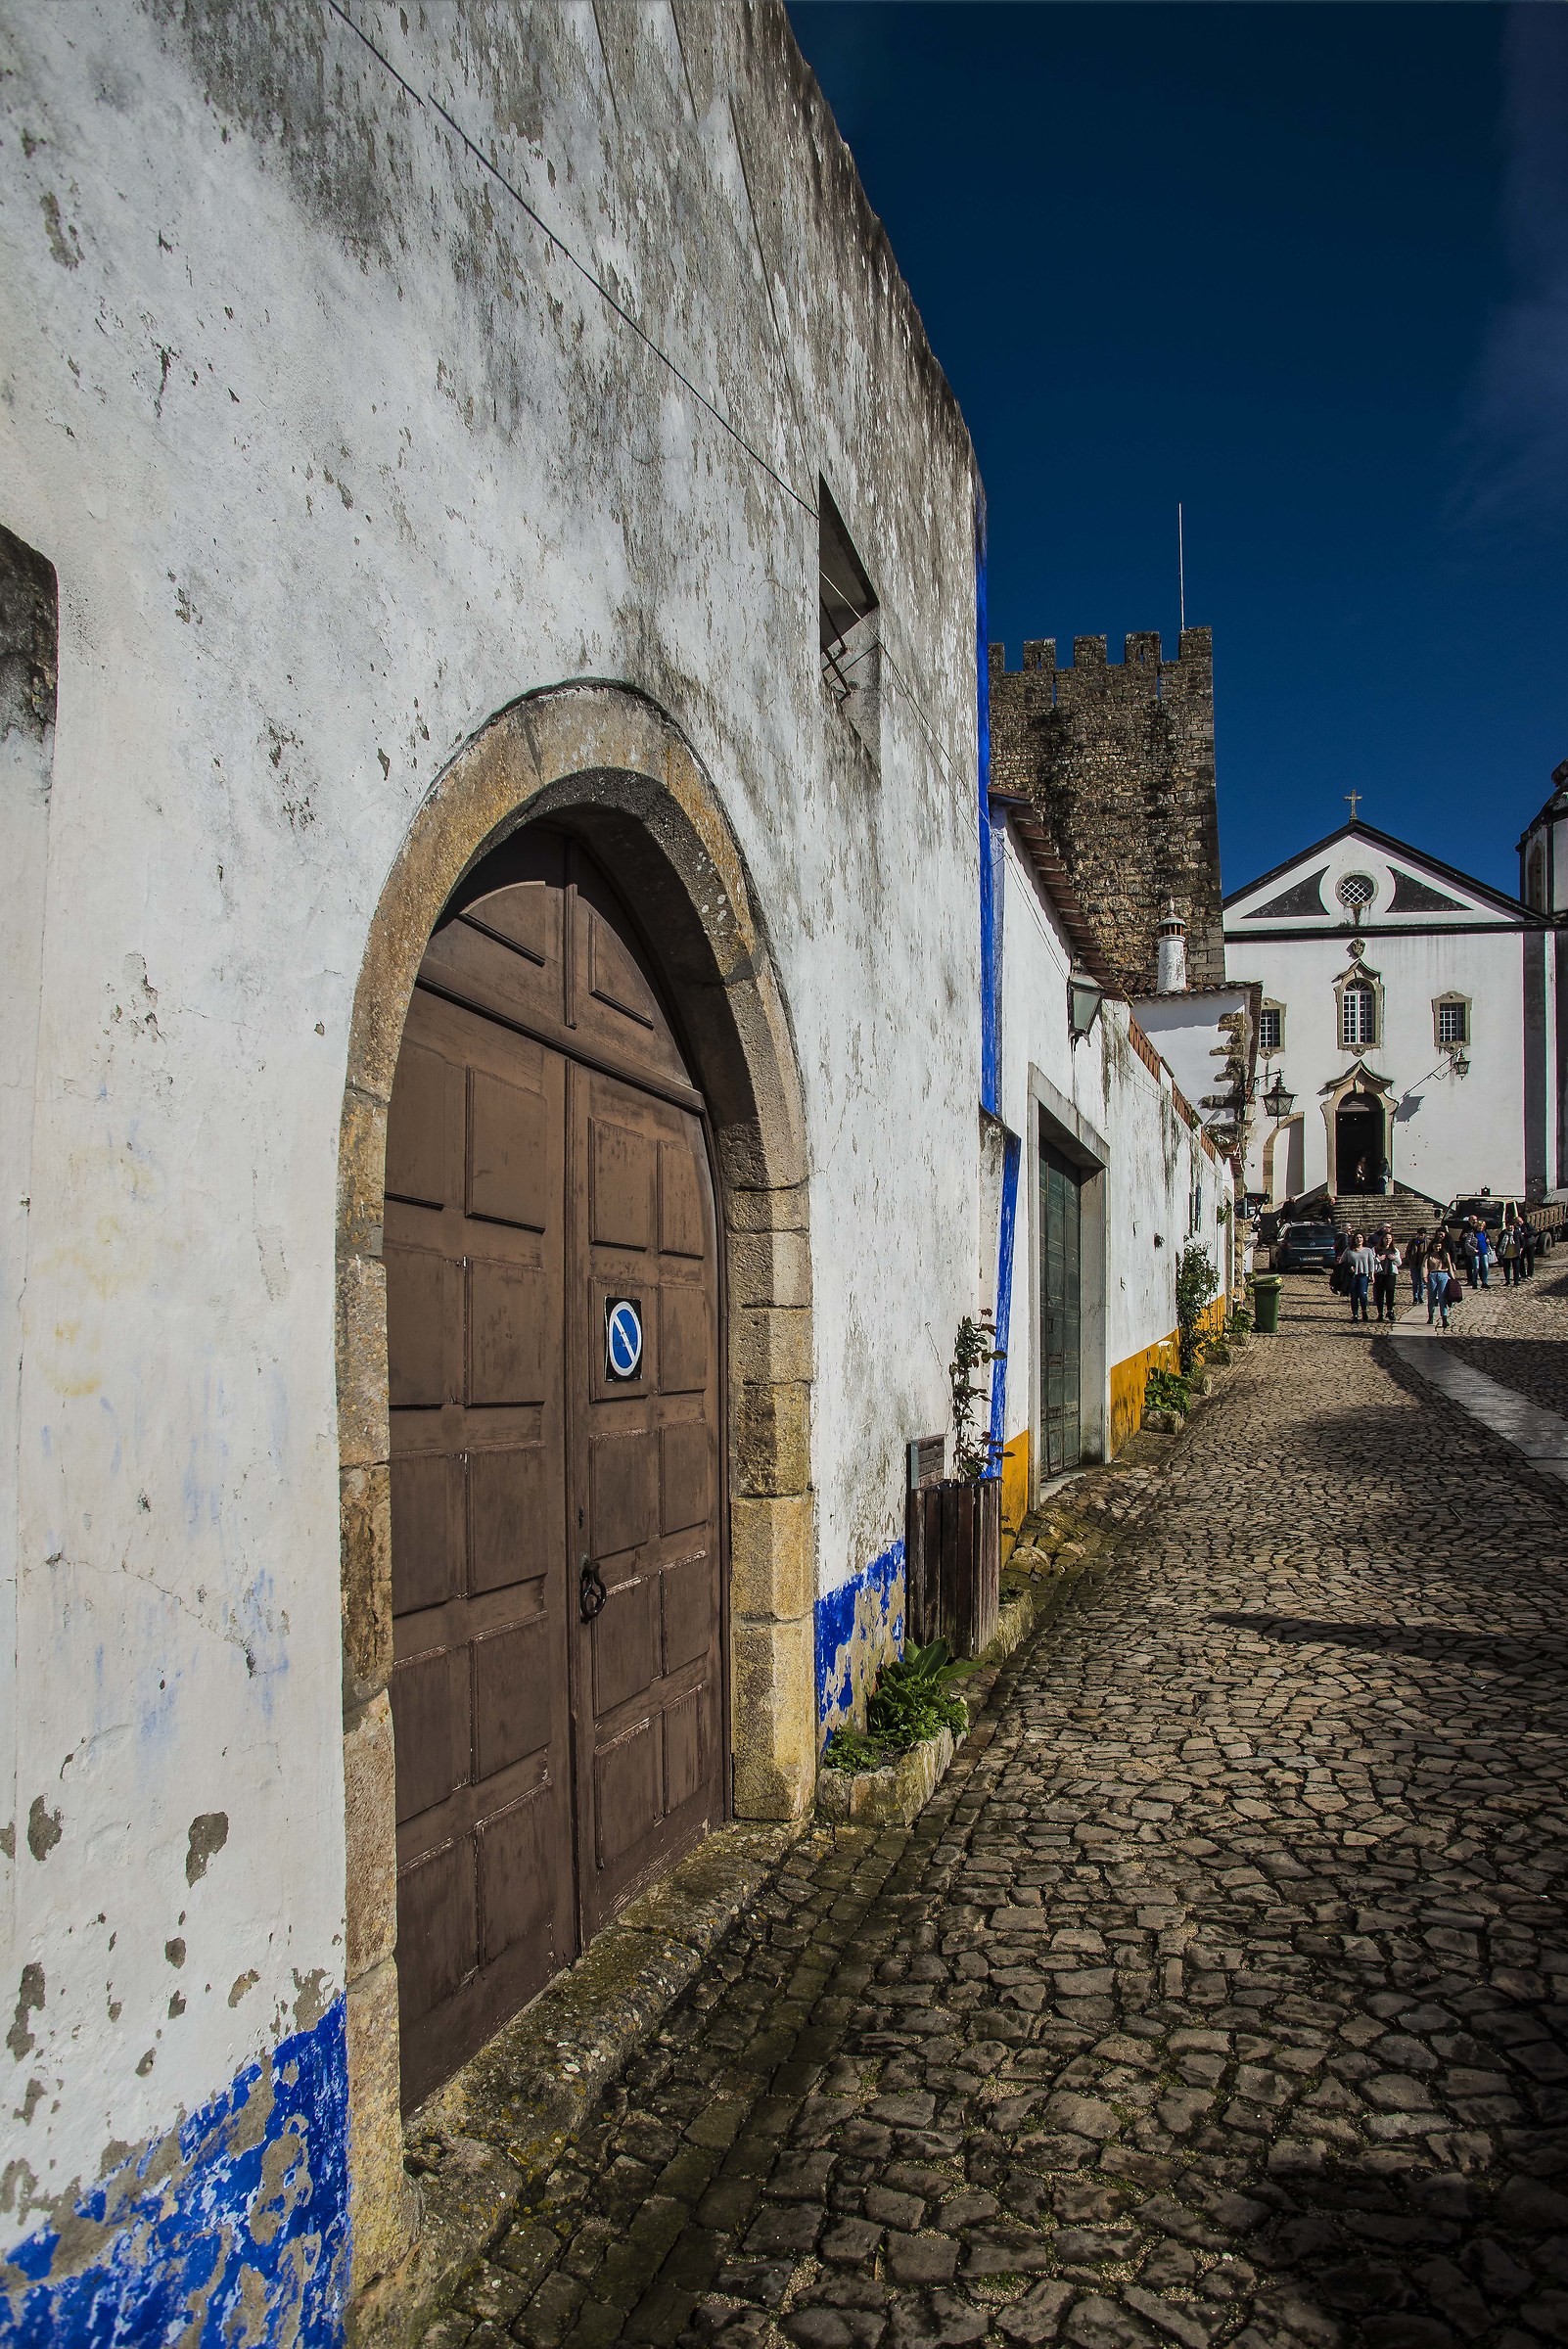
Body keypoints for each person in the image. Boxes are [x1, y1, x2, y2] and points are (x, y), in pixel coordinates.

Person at [1345, 1230, 1376, 1323]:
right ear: (1354, 1239)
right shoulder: (1349, 1250)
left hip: (1363, 1275)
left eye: (1360, 1238)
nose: (1359, 1239)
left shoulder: (1368, 1250)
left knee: (1363, 1294)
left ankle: (1364, 1310)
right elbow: (1342, 1261)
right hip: (1352, 1276)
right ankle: (1355, 1314)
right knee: (1354, 1296)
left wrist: (1372, 1274)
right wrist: (1349, 1267)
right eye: (1357, 1238)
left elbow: (1371, 1262)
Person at [1426, 1237, 1455, 1331]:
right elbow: (1424, 1266)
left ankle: (1444, 1317)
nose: (1437, 1248)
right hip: (1432, 1275)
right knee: (1432, 1297)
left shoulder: (1445, 1255)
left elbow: (1449, 1266)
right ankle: (1431, 1315)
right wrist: (1424, 1277)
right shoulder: (1428, 1256)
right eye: (1435, 1246)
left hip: (1443, 1275)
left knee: (1443, 1297)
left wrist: (1453, 1278)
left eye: (1439, 1246)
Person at [1372, 1230, 1401, 1322]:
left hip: (1390, 1274)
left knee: (1390, 1292)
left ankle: (1390, 1311)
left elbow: (1399, 1263)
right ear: (1382, 1239)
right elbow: (1371, 1261)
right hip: (1380, 1273)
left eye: (1389, 1238)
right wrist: (1378, 1259)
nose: (1387, 1240)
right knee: (1379, 1294)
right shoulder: (1376, 1249)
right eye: (1386, 1238)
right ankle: (1380, 1313)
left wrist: (1394, 1258)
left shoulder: (1395, 1250)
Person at [1406, 1229, 1427, 1307]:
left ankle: (1420, 1297)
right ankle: (1415, 1297)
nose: (1421, 1236)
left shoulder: (1427, 1243)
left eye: (1422, 1234)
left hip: (1422, 1265)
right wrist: (1410, 1260)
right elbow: (1407, 1252)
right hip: (1414, 1265)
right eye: (1419, 1234)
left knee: (1421, 1282)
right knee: (1415, 1282)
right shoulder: (1413, 1242)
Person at [1498, 1220, 1520, 1287]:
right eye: (1508, 1226)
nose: (1510, 1227)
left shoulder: (1516, 1232)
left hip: (1515, 1253)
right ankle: (1507, 1281)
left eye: (1511, 1226)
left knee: (1516, 1267)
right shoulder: (1503, 1233)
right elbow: (1499, 1242)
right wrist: (1498, 1251)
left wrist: (1521, 1248)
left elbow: (1522, 1241)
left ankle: (1516, 1281)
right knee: (1506, 1268)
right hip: (1505, 1253)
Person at [1474, 1220, 1492, 1289]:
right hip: (1476, 1253)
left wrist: (1488, 1242)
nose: (1480, 1227)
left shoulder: (1485, 1233)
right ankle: (1474, 1283)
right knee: (1476, 1268)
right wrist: (1473, 1249)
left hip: (1484, 1252)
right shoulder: (1473, 1233)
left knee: (1485, 1267)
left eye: (1482, 1226)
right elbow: (1468, 1243)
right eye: (1479, 1226)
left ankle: (1484, 1282)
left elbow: (1489, 1242)